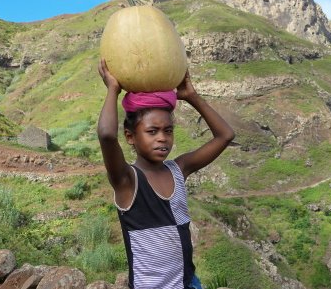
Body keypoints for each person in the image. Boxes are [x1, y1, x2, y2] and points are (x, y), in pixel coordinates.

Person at [97, 59, 235, 289]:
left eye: (168, 131)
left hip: (188, 283)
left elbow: (225, 136)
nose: (162, 138)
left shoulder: (179, 169)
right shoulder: (128, 181)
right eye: (152, 131)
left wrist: (191, 96)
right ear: (130, 136)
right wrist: (112, 89)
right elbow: (106, 136)